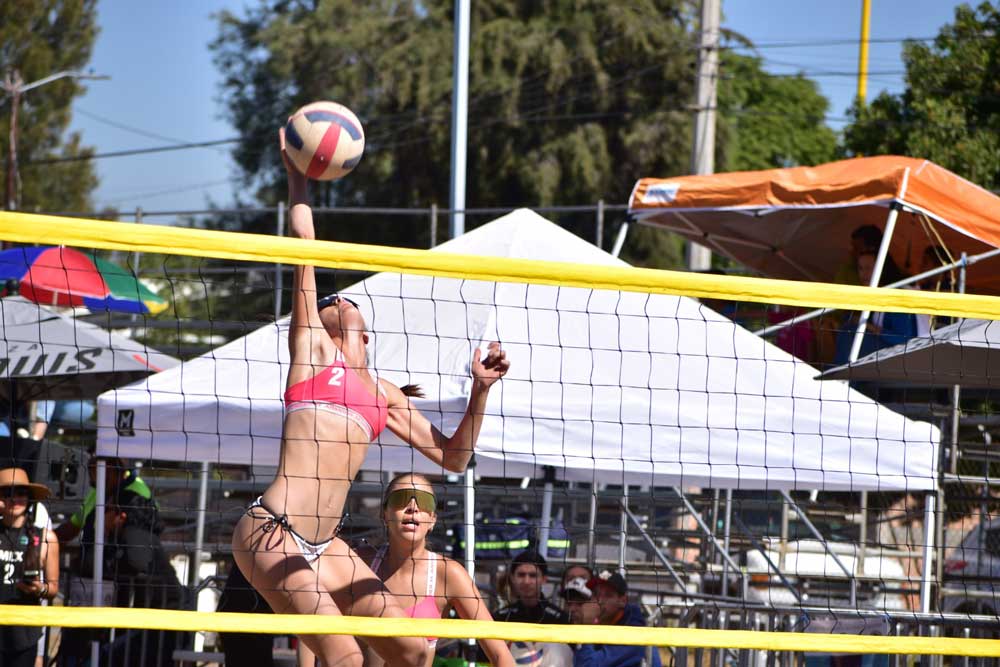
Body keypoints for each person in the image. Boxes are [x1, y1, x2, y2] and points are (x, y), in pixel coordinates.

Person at [231, 128, 510, 667]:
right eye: (328, 302)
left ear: (365, 335)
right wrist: (296, 175)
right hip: (273, 530)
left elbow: (455, 457)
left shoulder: (382, 395)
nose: (336, 302)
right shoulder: (313, 352)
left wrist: (480, 391)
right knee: (345, 658)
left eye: (342, 300)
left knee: (412, 650)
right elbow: (303, 249)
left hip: (326, 545)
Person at [363, 473, 513, 667]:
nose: (413, 508)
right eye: (401, 499)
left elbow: (501, 655)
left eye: (424, 502)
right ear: (385, 514)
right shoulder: (360, 561)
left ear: (433, 519)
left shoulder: (448, 574)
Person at [56, 455, 182, 667]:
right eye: (92, 468)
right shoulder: (100, 492)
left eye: (99, 468)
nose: (94, 474)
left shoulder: (133, 501)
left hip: (145, 611)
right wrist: (50, 540)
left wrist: (103, 531)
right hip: (103, 599)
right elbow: (75, 529)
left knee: (116, 653)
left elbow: (133, 563)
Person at [0, 468, 59, 667]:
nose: (14, 499)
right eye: (7, 493)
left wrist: (39, 588)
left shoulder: (45, 538)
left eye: (20, 493)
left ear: (30, 498)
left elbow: (53, 589)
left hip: (23, 633)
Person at [834, 252, 918, 365]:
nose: (864, 274)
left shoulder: (896, 296)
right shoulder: (866, 295)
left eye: (869, 268)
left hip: (898, 357)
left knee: (851, 333)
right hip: (877, 356)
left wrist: (869, 327)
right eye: (860, 268)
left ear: (881, 269)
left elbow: (904, 340)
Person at [564, 572, 662, 667]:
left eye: (607, 595)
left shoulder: (634, 633)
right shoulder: (602, 623)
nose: (600, 601)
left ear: (622, 601)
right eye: (596, 594)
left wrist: (586, 627)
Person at [496, 550, 569, 624]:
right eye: (521, 575)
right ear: (512, 578)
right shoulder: (500, 618)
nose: (526, 581)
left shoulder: (560, 619)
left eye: (533, 575)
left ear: (544, 579)